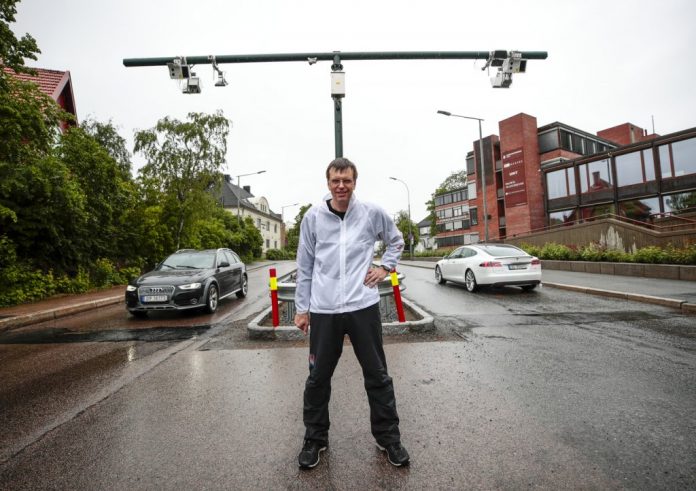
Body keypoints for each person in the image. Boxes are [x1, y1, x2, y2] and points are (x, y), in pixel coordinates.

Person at [294, 157, 410, 469]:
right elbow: (304, 265)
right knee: (318, 378)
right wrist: (302, 309)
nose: (341, 186)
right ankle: (315, 440)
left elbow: (396, 241)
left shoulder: (371, 213)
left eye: (346, 180)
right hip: (325, 310)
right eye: (336, 180)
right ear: (328, 183)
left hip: (362, 307)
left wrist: (385, 267)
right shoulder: (313, 217)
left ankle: (388, 438)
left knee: (377, 375)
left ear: (355, 182)